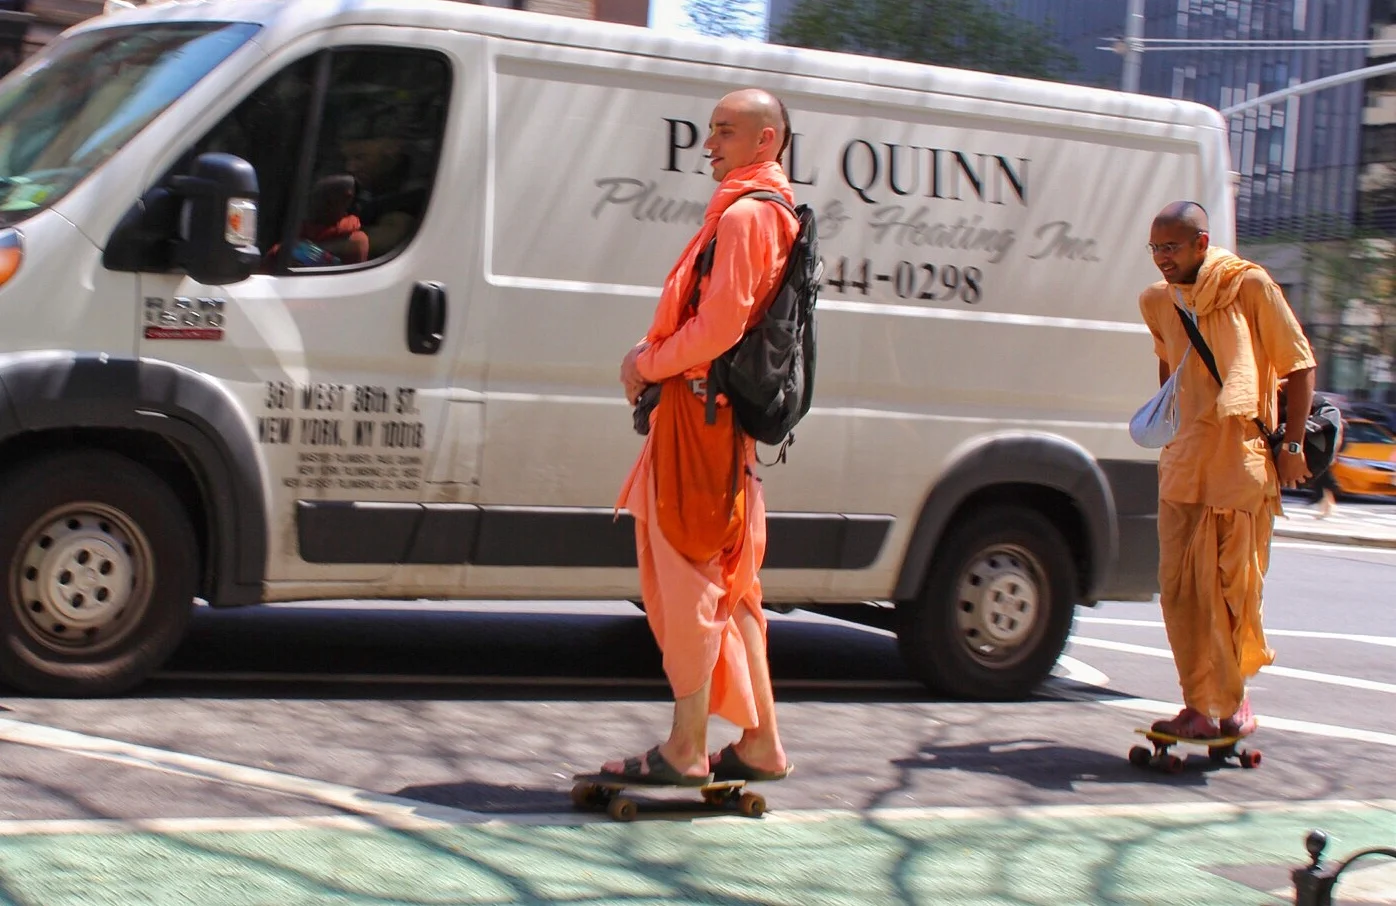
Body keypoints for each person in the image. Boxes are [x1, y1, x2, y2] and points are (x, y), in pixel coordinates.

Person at [596, 88, 797, 787]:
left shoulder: (745, 217)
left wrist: (644, 363)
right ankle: (760, 740)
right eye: (710, 130)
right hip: (717, 423)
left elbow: (717, 330)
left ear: (766, 141)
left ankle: (685, 747)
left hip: (698, 421)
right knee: (731, 584)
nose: (709, 145)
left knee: (687, 582)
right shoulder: (762, 212)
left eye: (726, 132)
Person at [1138, 200, 1318, 740]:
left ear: (1201, 242)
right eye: (1154, 249)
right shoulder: (1157, 302)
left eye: (1170, 247)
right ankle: (1197, 705)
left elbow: (1300, 364)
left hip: (1239, 465)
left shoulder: (1250, 287)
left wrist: (1292, 444)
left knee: (1230, 591)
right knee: (1180, 591)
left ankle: (1232, 705)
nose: (1161, 259)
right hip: (1183, 464)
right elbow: (1170, 373)